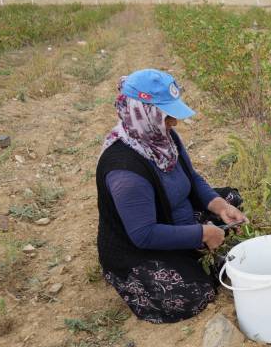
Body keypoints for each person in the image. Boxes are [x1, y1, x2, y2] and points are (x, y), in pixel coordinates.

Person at [96, 69, 246, 324]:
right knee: (194, 294)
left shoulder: (164, 138)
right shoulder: (124, 170)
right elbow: (144, 234)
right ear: (143, 113)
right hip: (140, 247)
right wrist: (202, 233)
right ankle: (195, 249)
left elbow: (192, 178)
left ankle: (202, 236)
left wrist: (220, 207)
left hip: (174, 215)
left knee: (231, 199)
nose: (173, 123)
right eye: (167, 116)